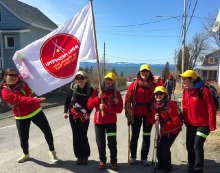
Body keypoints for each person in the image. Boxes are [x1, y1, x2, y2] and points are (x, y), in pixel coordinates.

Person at [0, 68, 58, 163]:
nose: (14, 77)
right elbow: (19, 99)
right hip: (21, 116)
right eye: (11, 75)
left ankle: (52, 152)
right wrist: (33, 100)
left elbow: (28, 71)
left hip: (36, 111)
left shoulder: (21, 81)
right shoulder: (5, 92)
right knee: (23, 138)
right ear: (5, 77)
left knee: (47, 132)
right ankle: (26, 154)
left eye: (15, 75)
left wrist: (23, 60)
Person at [178, 70, 216, 173]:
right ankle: (191, 164)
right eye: (182, 78)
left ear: (192, 79)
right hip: (191, 123)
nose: (183, 80)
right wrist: (185, 121)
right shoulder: (186, 91)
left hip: (204, 124)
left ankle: (198, 168)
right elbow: (185, 107)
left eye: (185, 78)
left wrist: (211, 125)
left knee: (197, 144)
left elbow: (211, 108)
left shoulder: (204, 90)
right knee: (189, 145)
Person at [87, 72, 123, 171]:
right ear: (104, 79)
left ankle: (114, 161)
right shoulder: (97, 91)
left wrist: (106, 108)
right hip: (98, 122)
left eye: (111, 80)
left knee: (112, 143)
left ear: (113, 82)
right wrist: (98, 98)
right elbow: (89, 105)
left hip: (111, 122)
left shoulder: (116, 93)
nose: (108, 81)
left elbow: (119, 109)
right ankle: (102, 161)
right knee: (100, 143)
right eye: (107, 79)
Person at [124, 64, 156, 166]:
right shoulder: (134, 84)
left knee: (146, 136)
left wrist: (156, 113)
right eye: (143, 71)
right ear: (140, 73)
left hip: (148, 114)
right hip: (136, 113)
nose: (144, 73)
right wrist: (128, 113)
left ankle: (144, 158)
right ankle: (133, 157)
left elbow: (157, 100)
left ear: (149, 73)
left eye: (146, 72)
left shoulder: (153, 86)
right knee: (135, 136)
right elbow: (128, 99)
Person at [63, 71, 94, 165]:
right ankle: (79, 156)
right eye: (78, 78)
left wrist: (88, 113)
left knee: (83, 135)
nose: (79, 80)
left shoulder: (90, 90)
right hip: (73, 115)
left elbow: (92, 104)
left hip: (85, 116)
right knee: (76, 135)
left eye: (82, 78)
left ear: (86, 79)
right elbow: (67, 101)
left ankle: (85, 156)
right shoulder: (72, 89)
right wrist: (65, 111)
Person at [150, 86, 182, 173]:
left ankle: (167, 168)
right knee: (159, 148)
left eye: (160, 93)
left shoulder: (170, 104)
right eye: (156, 94)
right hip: (163, 131)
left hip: (173, 130)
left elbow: (176, 121)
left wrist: (163, 124)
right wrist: (154, 118)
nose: (158, 95)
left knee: (164, 147)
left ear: (165, 94)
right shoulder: (154, 105)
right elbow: (150, 120)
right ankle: (161, 165)